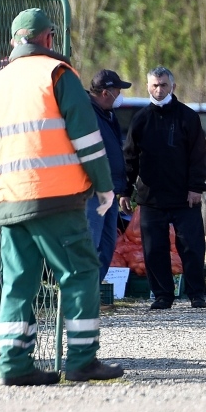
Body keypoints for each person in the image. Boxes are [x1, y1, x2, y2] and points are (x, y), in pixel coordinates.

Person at [0, 8, 122, 386]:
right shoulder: (56, 74)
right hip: (55, 198)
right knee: (80, 273)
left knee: (18, 281)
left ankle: (13, 364)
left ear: (13, 42)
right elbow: (88, 141)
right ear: (49, 39)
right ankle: (82, 359)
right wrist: (104, 187)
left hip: (9, 201)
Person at [120, 66, 206, 310]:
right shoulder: (140, 119)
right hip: (151, 198)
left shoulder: (187, 117)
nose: (159, 90)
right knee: (154, 249)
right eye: (155, 85)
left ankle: (196, 294)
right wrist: (125, 190)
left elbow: (199, 156)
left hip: (184, 197)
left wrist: (196, 187)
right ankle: (162, 295)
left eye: (164, 85)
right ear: (148, 87)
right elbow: (130, 158)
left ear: (173, 87)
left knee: (191, 246)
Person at [86, 69, 131, 278]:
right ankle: (83, 297)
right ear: (106, 93)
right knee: (91, 244)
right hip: (93, 191)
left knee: (107, 245)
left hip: (110, 190)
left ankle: (93, 292)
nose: (120, 95)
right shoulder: (86, 114)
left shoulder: (108, 115)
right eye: (117, 90)